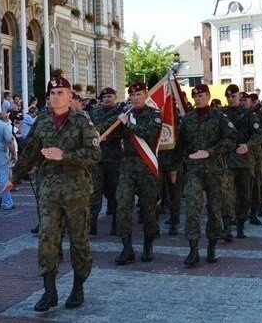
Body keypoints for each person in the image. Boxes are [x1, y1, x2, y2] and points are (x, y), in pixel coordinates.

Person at [6, 76, 101, 312]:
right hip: (48, 187)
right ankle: (49, 291)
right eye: (52, 93)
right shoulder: (42, 122)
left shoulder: (82, 122)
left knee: (78, 240)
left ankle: (78, 287)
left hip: (76, 187)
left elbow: (95, 154)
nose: (56, 96)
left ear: (70, 96)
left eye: (61, 92)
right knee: (47, 237)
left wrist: (65, 155)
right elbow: (30, 153)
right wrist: (14, 178)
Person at [170, 84, 236, 266]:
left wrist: (210, 152)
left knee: (215, 210)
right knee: (192, 209)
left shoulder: (219, 117)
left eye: (201, 96)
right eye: (195, 96)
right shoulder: (188, 119)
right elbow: (180, 144)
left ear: (208, 96)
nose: (198, 99)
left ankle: (212, 247)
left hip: (215, 170)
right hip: (194, 171)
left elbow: (230, 139)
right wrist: (174, 167)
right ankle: (193, 250)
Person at [113, 82, 162, 265]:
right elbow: (112, 133)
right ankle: (127, 248)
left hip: (145, 165)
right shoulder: (126, 114)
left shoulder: (154, 115)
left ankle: (148, 245)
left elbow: (148, 133)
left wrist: (129, 125)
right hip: (127, 165)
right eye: (132, 96)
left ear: (146, 95)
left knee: (148, 208)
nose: (135, 98)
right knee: (123, 205)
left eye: (139, 95)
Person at [222, 86, 262, 240]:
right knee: (226, 194)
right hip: (226, 161)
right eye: (229, 97)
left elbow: (259, 135)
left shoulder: (249, 115)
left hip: (244, 162)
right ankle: (226, 227)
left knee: (244, 194)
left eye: (234, 96)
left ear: (239, 97)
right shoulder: (221, 115)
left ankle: (240, 225)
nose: (231, 99)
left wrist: (248, 146)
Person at [89, 87, 124, 236]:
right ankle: (92, 224)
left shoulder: (121, 113)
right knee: (95, 192)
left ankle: (116, 224)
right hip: (98, 158)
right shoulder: (94, 112)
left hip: (114, 157)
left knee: (114, 192)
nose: (107, 99)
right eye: (104, 97)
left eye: (109, 96)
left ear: (115, 97)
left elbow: (120, 130)